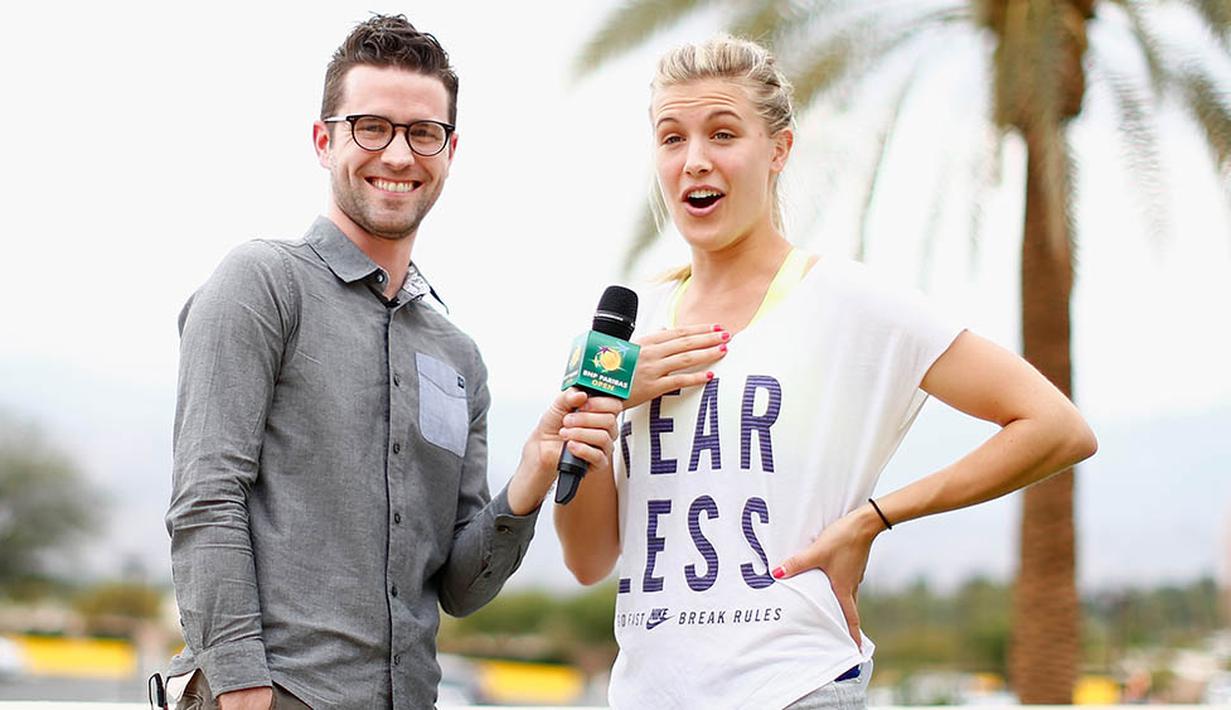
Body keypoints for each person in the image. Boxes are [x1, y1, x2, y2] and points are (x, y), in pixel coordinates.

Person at [554, 36, 1098, 709]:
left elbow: (1055, 426)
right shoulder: (631, 333)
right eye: (672, 138)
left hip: (795, 686)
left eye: (722, 134)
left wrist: (872, 519)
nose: (694, 160)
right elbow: (588, 560)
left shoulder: (845, 299)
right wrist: (598, 411)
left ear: (778, 150)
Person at [164, 15, 620, 709]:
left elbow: (462, 590)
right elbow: (205, 500)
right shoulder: (261, 283)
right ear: (325, 140)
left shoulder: (457, 357)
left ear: (449, 149)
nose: (399, 155)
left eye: (421, 132)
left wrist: (527, 481)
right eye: (370, 127)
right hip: (276, 694)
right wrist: (241, 688)